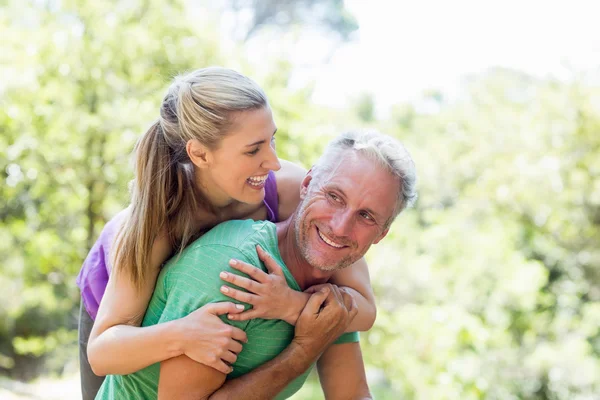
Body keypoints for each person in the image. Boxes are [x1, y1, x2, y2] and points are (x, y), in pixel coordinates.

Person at [77, 67, 379, 400]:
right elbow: (103, 353)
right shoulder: (160, 223)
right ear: (200, 154)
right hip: (120, 316)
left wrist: (292, 305)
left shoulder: (292, 192)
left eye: (271, 140)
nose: (274, 162)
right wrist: (182, 334)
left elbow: (363, 310)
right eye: (253, 150)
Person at [95, 130, 417, 399]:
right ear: (306, 185)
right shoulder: (236, 271)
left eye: (366, 216)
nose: (340, 227)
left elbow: (352, 394)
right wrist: (303, 350)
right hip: (112, 287)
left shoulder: (328, 291)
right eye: (334, 196)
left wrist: (298, 310)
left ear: (382, 233)